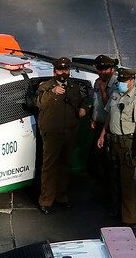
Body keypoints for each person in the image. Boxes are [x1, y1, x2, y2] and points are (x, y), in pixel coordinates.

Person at [36, 56, 89, 214]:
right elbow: (39, 103)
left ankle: (61, 197)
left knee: (65, 165)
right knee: (49, 167)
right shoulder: (45, 87)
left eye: (65, 70)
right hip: (53, 133)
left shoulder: (73, 86)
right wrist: (53, 92)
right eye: (60, 70)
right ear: (54, 71)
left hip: (70, 131)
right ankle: (46, 200)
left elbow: (83, 98)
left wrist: (84, 107)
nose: (63, 73)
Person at [96, 67, 136, 228]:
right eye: (120, 82)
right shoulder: (116, 94)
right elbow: (109, 115)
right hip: (113, 141)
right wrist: (103, 134)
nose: (121, 84)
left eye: (125, 82)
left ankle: (129, 218)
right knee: (114, 177)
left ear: (132, 82)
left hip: (128, 143)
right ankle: (116, 209)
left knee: (126, 181)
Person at [88, 54, 118, 181]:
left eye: (105, 70)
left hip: (109, 127)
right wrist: (93, 118)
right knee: (94, 162)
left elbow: (110, 107)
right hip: (98, 126)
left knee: (108, 162)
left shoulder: (116, 85)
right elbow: (95, 103)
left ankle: (108, 191)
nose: (102, 73)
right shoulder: (97, 82)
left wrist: (104, 90)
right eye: (100, 70)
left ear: (112, 70)